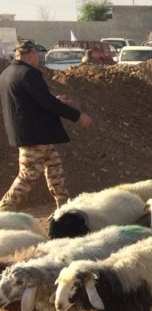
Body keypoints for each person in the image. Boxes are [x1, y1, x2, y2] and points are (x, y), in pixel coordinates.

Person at [0, 40, 93, 210]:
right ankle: (5, 207)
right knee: (28, 174)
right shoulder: (29, 73)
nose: (38, 59)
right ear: (31, 55)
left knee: (54, 168)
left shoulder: (7, 73)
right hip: (33, 135)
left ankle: (63, 207)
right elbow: (48, 104)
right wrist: (78, 116)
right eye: (37, 55)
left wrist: (55, 100)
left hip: (32, 133)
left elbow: (31, 101)